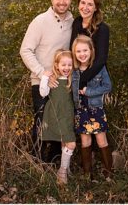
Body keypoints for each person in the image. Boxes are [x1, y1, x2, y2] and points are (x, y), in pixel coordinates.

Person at [20, 0, 73, 162]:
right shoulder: (40, 21)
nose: (62, 2)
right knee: (42, 123)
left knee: (61, 123)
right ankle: (35, 163)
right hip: (41, 82)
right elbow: (25, 50)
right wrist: (43, 73)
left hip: (62, 83)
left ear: (70, 0)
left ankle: (56, 162)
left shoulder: (73, 22)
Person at [69, 0, 113, 179]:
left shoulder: (103, 29)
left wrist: (82, 82)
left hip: (94, 81)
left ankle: (108, 173)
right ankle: (88, 173)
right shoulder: (76, 23)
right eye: (83, 3)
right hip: (79, 80)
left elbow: (101, 59)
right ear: (78, 4)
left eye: (90, 4)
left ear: (96, 8)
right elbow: (73, 52)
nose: (85, 7)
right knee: (84, 134)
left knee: (99, 134)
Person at [38, 50, 78, 184]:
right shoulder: (52, 79)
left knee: (65, 142)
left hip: (67, 115)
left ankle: (64, 169)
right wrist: (44, 77)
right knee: (71, 143)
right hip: (56, 115)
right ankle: (62, 172)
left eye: (69, 65)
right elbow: (43, 93)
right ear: (57, 65)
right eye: (63, 65)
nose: (66, 68)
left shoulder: (73, 78)